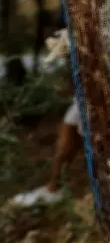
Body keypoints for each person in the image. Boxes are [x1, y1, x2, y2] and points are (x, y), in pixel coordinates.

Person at [8, 26, 83, 208]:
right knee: (68, 132)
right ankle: (54, 188)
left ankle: (55, 188)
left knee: (71, 134)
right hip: (84, 96)